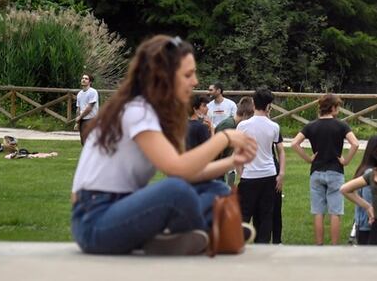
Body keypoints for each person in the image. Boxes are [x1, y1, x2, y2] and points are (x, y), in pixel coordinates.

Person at [70, 35, 257, 255]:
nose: (195, 82)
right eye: (188, 74)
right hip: (95, 221)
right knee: (176, 191)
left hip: (122, 210)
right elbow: (178, 169)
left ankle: (179, 235)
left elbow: (186, 172)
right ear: (164, 77)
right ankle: (207, 230)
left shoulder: (155, 114)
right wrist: (223, 138)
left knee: (217, 189)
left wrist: (232, 161)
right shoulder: (137, 111)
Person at [290, 93, 360, 245]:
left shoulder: (311, 126)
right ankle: (334, 246)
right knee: (335, 212)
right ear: (333, 108)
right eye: (338, 107)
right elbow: (355, 144)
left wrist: (308, 158)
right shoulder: (341, 125)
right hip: (335, 171)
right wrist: (346, 161)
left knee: (318, 212)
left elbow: (294, 143)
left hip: (316, 171)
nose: (338, 110)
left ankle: (319, 244)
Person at [236, 87, 285, 244]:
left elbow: (238, 152)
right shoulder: (274, 126)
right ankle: (262, 245)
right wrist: (281, 173)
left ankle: (238, 242)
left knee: (244, 213)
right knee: (265, 215)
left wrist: (240, 173)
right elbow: (280, 151)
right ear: (269, 106)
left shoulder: (243, 126)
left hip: (249, 175)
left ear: (253, 103)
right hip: (269, 173)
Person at [350, 135, 377, 245]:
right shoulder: (369, 173)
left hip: (366, 225)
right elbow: (370, 200)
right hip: (368, 226)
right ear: (374, 150)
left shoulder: (369, 170)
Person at [75, 74, 99, 145]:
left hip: (91, 120)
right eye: (83, 78)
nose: (83, 80)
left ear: (90, 82)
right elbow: (78, 108)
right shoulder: (79, 94)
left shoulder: (93, 92)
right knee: (83, 142)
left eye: (86, 79)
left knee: (91, 143)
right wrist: (77, 122)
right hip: (82, 120)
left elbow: (89, 107)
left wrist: (80, 117)